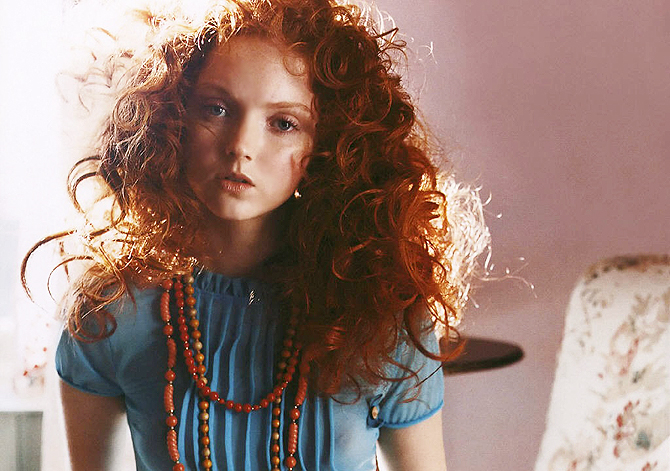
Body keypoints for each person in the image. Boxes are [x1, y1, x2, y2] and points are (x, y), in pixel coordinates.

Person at [23, 0, 489, 469]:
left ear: (326, 146)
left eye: (283, 123)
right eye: (217, 109)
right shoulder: (110, 309)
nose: (241, 145)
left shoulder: (382, 313)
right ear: (174, 118)